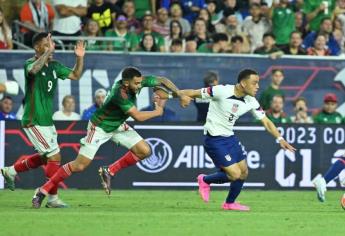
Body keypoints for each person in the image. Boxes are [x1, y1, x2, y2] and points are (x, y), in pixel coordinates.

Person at [31, 67, 192, 207]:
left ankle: (109, 170)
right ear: (126, 83)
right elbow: (137, 117)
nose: (139, 85)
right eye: (136, 83)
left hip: (117, 125)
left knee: (144, 150)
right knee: (79, 166)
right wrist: (158, 111)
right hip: (99, 127)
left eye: (140, 82)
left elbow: (162, 80)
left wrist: (178, 93)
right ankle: (43, 190)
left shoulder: (138, 82)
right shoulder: (119, 93)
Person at [178, 69, 296, 211]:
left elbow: (266, 122)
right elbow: (192, 92)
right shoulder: (221, 91)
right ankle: (204, 180)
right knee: (234, 174)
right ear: (243, 83)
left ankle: (229, 203)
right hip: (214, 139)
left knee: (244, 172)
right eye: (254, 83)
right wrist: (171, 95)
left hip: (230, 137)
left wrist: (280, 138)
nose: (258, 86)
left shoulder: (251, 101)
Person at [0, 32, 85, 208]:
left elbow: (76, 75)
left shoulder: (54, 66)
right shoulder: (29, 64)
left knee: (46, 158)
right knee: (55, 156)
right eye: (48, 43)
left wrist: (79, 58)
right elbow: (34, 70)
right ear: (38, 47)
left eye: (52, 42)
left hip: (47, 121)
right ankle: (52, 198)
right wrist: (46, 53)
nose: (52, 46)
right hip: (33, 119)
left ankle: (11, 171)